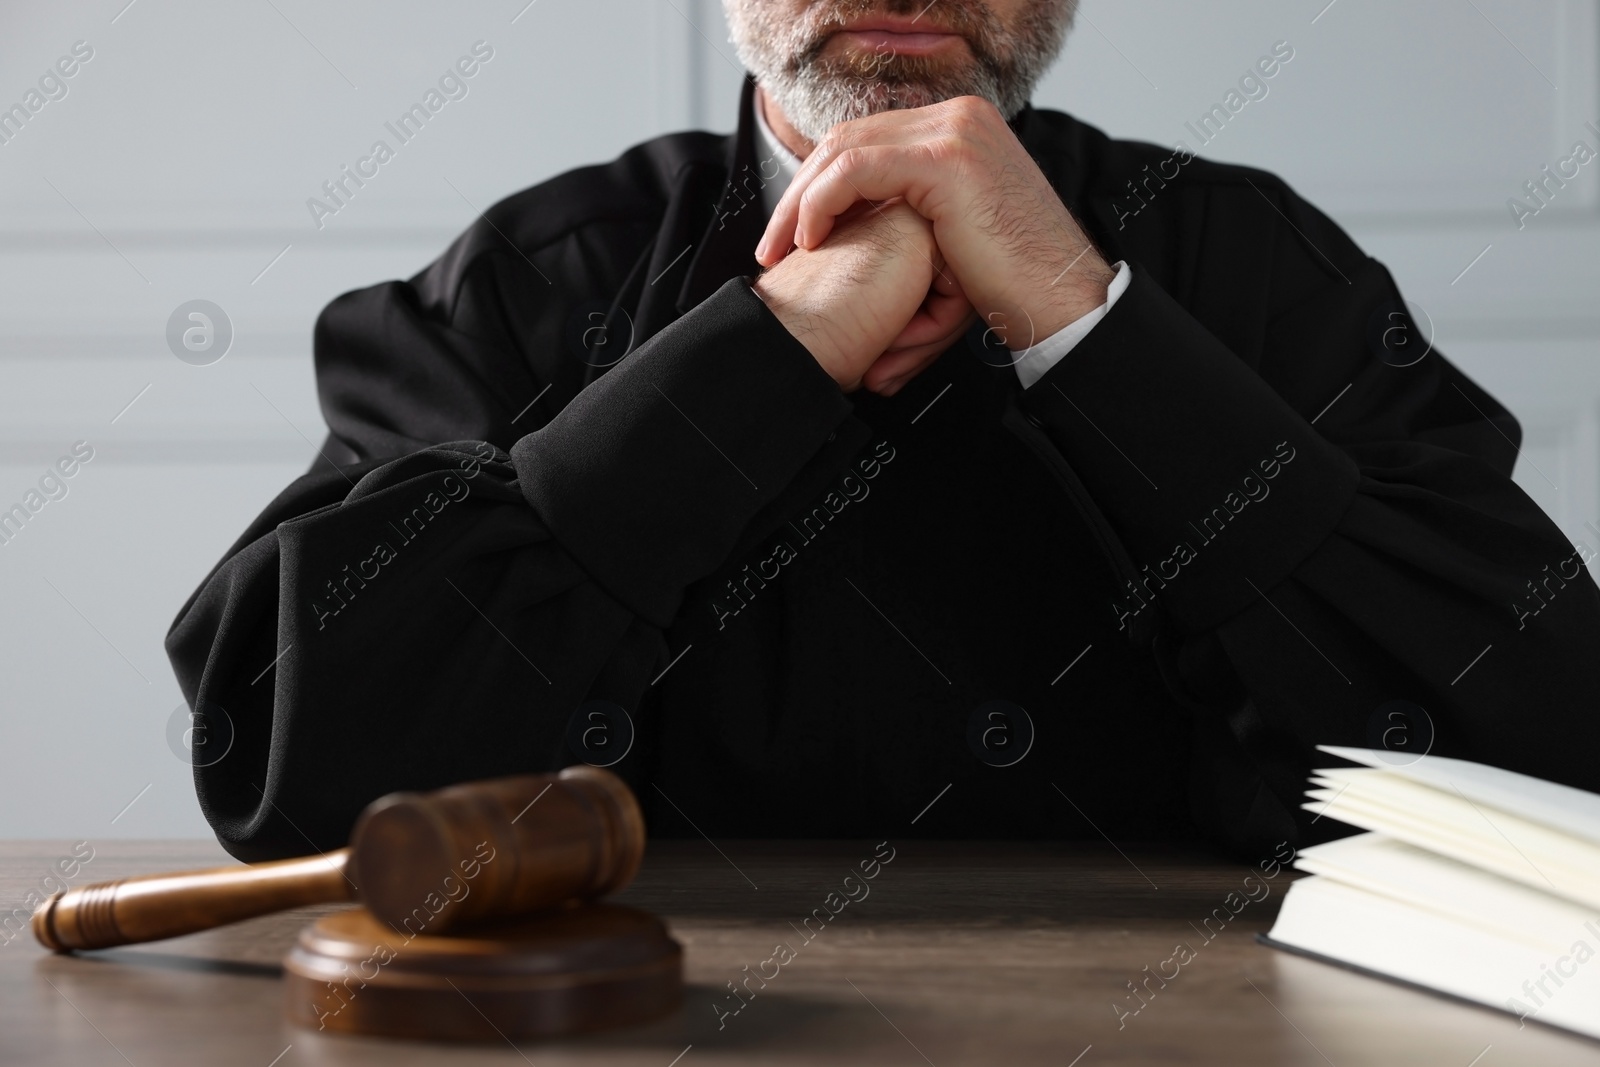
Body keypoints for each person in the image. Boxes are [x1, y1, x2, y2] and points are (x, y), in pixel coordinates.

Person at [167, 0, 1600, 862]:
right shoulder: (530, 286)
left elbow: (1532, 759)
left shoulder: (1264, 270)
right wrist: (768, 355)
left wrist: (1078, 319)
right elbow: (289, 772)